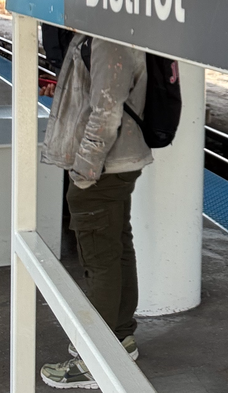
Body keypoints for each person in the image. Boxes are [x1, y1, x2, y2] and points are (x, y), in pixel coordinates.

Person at [38, 34, 152, 389]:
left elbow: (106, 111)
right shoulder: (113, 32)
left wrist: (83, 172)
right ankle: (119, 337)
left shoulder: (108, 38)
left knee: (100, 260)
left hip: (102, 170)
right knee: (117, 250)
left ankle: (94, 360)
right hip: (115, 164)